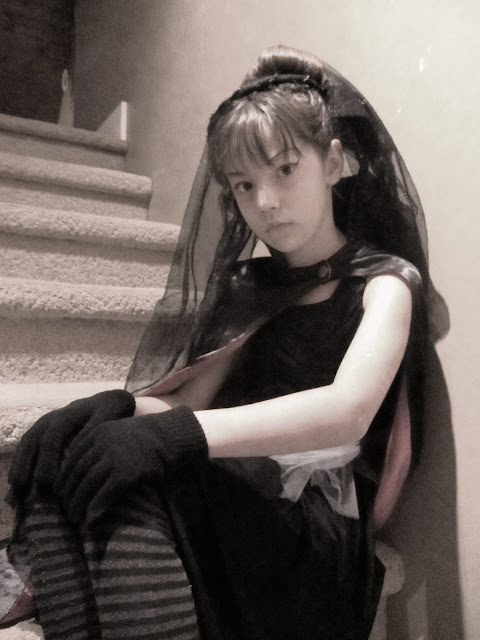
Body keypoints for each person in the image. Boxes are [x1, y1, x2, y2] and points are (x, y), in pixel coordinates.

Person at [2, 45, 448, 640]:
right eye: (243, 184)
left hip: (309, 514)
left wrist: (173, 437)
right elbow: (191, 403)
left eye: (285, 170)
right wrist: (116, 408)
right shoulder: (249, 285)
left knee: (138, 481)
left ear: (334, 162)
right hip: (234, 472)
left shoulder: (384, 281)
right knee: (64, 455)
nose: (265, 202)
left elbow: (348, 411)